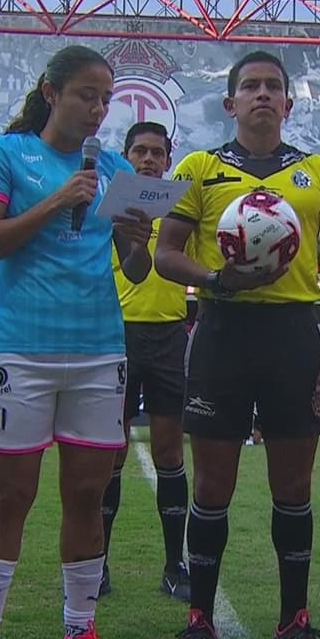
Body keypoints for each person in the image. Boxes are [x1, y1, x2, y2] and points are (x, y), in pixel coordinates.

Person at [152, 50, 320, 639]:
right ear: (230, 103)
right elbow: (165, 253)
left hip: (294, 335)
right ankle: (199, 622)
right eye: (250, 86)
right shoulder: (198, 168)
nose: (262, 94)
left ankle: (294, 623)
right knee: (212, 487)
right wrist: (216, 277)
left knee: (293, 488)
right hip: (223, 331)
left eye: (273, 86)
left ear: (289, 104)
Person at [0, 45, 154, 639]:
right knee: (10, 496)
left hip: (98, 351)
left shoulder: (116, 167)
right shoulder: (6, 154)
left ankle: (79, 633)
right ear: (51, 92)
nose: (98, 110)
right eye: (85, 95)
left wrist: (136, 238)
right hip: (21, 350)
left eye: (105, 99)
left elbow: (135, 270)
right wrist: (56, 201)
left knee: (87, 496)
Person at [99, 121, 192, 601]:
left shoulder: (181, 209)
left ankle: (175, 565)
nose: (149, 159)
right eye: (140, 151)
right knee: (108, 453)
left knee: (170, 453)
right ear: (126, 156)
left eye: (157, 152)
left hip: (169, 335)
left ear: (169, 159)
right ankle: (97, 564)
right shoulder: (108, 205)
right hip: (115, 335)